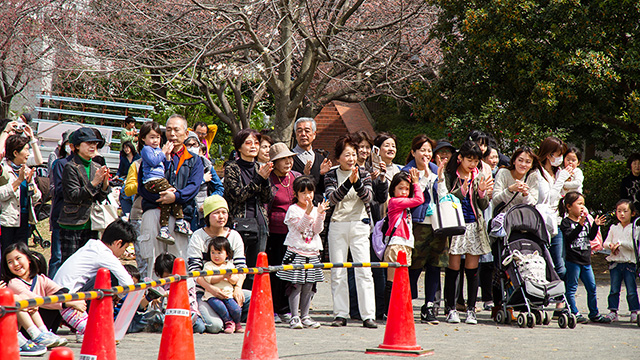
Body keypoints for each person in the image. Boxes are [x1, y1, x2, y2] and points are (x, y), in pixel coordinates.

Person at [137, 115, 204, 276]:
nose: (172, 133)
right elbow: (142, 186)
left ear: (186, 134)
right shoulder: (151, 155)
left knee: (180, 260)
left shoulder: (195, 160)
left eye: (176, 129)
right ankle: (154, 299)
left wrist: (175, 197)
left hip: (180, 215)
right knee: (153, 260)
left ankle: (179, 300)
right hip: (154, 210)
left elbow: (194, 187)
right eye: (168, 130)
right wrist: (161, 198)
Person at [324, 134, 377, 328]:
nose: (351, 158)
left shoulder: (364, 173)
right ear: (338, 157)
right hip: (338, 225)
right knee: (338, 271)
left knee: (363, 271)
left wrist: (357, 182)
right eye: (347, 155)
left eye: (353, 154)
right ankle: (340, 314)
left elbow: (368, 197)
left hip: (359, 224)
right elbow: (331, 199)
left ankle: (367, 315)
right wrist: (348, 183)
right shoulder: (331, 174)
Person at [438, 141, 493, 325]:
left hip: (474, 226)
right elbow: (447, 198)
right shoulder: (449, 175)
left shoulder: (479, 176)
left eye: (476, 160)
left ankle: (471, 310)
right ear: (460, 157)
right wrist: (463, 189)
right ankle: (451, 309)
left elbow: (483, 206)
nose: (473, 164)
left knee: (472, 270)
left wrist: (482, 193)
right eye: (469, 159)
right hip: (455, 226)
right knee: (453, 269)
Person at [187, 195, 251, 333]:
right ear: (208, 216)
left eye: (224, 212)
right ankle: (223, 318)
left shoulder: (234, 236)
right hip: (205, 291)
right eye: (216, 213)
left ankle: (233, 317)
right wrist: (212, 289)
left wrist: (238, 288)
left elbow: (241, 267)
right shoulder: (198, 236)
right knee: (214, 326)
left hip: (230, 290)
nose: (221, 216)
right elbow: (194, 271)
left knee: (256, 298)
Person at [400, 134, 445, 325]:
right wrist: (425, 177)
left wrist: (440, 178)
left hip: (437, 225)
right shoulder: (406, 171)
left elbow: (443, 196)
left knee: (434, 266)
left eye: (429, 150)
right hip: (417, 224)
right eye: (422, 150)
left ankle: (429, 307)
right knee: (414, 267)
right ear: (413, 152)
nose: (426, 154)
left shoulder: (436, 169)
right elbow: (412, 197)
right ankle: (406, 306)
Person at [3, 243, 88, 342]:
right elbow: (37, 300)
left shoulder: (41, 279)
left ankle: (85, 327)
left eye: (18, 258)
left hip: (46, 323)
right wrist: (68, 303)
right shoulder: (13, 283)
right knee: (30, 300)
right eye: (10, 262)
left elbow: (61, 291)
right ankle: (84, 328)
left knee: (62, 295)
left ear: (28, 259)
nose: (15, 264)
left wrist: (75, 301)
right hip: (26, 327)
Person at [276, 176, 328, 329]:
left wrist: (320, 214)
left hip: (312, 252)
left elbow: (318, 230)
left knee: (309, 286)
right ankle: (295, 317)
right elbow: (300, 227)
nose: (307, 196)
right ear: (296, 194)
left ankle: (305, 316)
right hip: (296, 252)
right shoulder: (293, 209)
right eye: (303, 192)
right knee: (296, 285)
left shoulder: (316, 208)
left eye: (310, 192)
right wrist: (309, 213)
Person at [223, 128, 273, 288]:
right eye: (248, 143)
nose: (253, 146)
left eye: (256, 143)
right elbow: (237, 195)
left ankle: (252, 307)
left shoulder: (261, 167)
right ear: (239, 147)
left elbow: (267, 198)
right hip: (238, 223)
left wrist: (264, 180)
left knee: (256, 270)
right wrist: (259, 179)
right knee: (236, 268)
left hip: (260, 224)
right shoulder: (232, 167)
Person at [57, 127, 110, 262]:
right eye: (88, 143)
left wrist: (104, 184)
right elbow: (73, 195)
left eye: (94, 143)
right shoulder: (71, 166)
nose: (93, 146)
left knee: (88, 264)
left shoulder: (96, 166)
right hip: (72, 222)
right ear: (77, 147)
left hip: (91, 223)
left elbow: (99, 198)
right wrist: (94, 182)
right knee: (70, 263)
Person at [558, 191, 611, 324]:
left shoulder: (586, 220)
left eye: (583, 204)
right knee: (571, 288)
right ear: (569, 206)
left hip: (586, 261)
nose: (582, 207)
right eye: (579, 204)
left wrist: (595, 225)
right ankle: (574, 312)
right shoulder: (565, 222)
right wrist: (579, 226)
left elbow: (591, 237)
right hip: (573, 261)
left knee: (592, 287)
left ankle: (594, 314)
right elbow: (569, 238)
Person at [139, 121, 192, 244]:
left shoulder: (158, 150)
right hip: (152, 181)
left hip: (159, 180)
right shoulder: (146, 149)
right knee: (173, 193)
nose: (155, 140)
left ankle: (164, 229)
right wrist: (163, 152)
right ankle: (179, 222)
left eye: (157, 137)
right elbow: (153, 161)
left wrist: (167, 156)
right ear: (143, 138)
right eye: (152, 137)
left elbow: (166, 166)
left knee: (167, 202)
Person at [53, 219, 136, 293]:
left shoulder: (94, 246)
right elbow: (128, 284)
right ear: (118, 243)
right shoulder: (103, 253)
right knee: (112, 277)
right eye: (125, 248)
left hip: (58, 294)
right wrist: (118, 297)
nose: (123, 252)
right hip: (67, 299)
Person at [266, 142, 300, 321]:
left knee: (290, 272)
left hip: (295, 234)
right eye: (283, 159)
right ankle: (273, 308)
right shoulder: (268, 179)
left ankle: (287, 308)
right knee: (275, 271)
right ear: (274, 162)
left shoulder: (296, 177)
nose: (288, 162)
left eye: (289, 158)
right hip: (275, 233)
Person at [383, 169, 424, 312]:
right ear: (393, 189)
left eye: (407, 189)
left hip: (405, 244)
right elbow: (419, 199)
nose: (404, 192)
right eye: (400, 188)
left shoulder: (405, 204)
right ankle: (388, 311)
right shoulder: (395, 202)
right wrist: (416, 183)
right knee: (392, 280)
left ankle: (398, 310)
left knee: (401, 281)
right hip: (396, 243)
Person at [0, 135, 42, 249]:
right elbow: (1, 195)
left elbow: (37, 197)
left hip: (24, 220)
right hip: (6, 222)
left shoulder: (26, 170)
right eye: (26, 150)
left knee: (21, 252)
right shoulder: (2, 169)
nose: (28, 154)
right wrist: (19, 181)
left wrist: (30, 184)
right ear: (15, 153)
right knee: (6, 254)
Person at [536, 136, 569, 280]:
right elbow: (548, 198)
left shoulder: (557, 172)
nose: (561, 158)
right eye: (559, 155)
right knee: (544, 264)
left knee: (560, 266)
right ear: (549, 155)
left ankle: (560, 301)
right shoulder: (538, 173)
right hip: (543, 224)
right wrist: (561, 179)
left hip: (557, 222)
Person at [603, 199, 639, 322]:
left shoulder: (635, 229)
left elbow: (634, 246)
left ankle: (634, 311)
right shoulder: (614, 228)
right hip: (615, 263)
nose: (622, 214)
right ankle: (613, 311)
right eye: (619, 211)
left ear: (632, 213)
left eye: (625, 211)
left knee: (631, 289)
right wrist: (611, 246)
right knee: (614, 289)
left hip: (629, 263)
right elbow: (605, 243)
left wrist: (620, 243)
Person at [153, 253, 206, 334]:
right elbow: (157, 306)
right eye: (166, 276)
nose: (169, 278)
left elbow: (178, 291)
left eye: (171, 275)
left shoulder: (187, 279)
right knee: (154, 318)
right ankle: (175, 327)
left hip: (188, 314)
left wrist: (161, 293)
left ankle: (174, 327)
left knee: (200, 326)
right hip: (169, 315)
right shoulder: (162, 283)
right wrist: (155, 298)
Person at [202, 236, 244, 334]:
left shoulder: (229, 265)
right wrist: (222, 276)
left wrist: (230, 277)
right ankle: (228, 322)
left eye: (219, 252)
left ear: (227, 254)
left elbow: (234, 280)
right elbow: (210, 279)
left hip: (228, 294)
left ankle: (237, 323)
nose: (216, 256)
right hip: (212, 295)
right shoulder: (208, 265)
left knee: (236, 309)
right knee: (220, 307)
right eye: (213, 252)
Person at [48, 135, 76, 277]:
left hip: (77, 218)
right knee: (57, 256)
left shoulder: (86, 165)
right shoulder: (60, 163)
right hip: (61, 215)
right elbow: (58, 189)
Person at [291, 118, 332, 204]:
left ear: (314, 134)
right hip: (297, 208)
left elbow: (323, 188)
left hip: (318, 209)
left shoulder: (321, 159)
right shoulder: (289, 158)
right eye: (299, 131)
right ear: (295, 134)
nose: (303, 134)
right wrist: (304, 175)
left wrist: (322, 175)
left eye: (307, 131)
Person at [118, 140, 140, 217]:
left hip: (134, 179)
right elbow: (120, 169)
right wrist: (117, 176)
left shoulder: (137, 158)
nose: (126, 150)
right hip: (125, 178)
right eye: (124, 148)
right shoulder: (123, 158)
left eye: (127, 148)